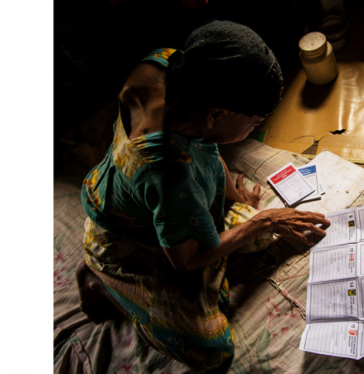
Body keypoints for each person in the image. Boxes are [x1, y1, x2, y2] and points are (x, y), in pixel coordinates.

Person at [76, 20, 329, 372]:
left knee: (254, 230)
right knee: (212, 351)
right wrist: (264, 219)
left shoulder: (165, 63)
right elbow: (186, 261)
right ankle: (109, 280)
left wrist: (236, 201)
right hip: (130, 238)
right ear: (216, 114)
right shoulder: (168, 171)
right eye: (253, 123)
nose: (253, 130)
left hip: (143, 191)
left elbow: (205, 144)